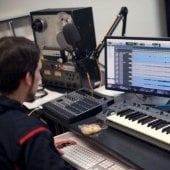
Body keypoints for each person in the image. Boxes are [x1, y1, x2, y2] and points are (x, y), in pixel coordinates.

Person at [0, 36, 76, 170]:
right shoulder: (32, 133)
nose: (40, 78)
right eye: (38, 71)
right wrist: (38, 145)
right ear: (28, 78)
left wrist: (43, 149)